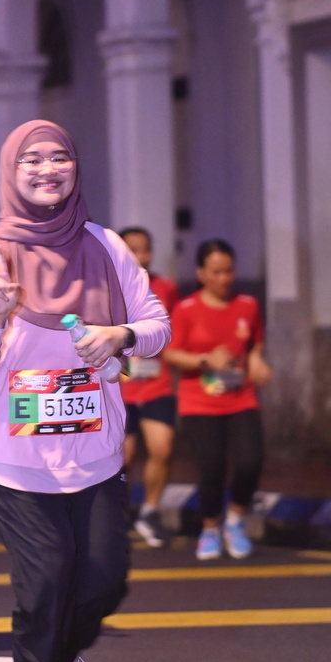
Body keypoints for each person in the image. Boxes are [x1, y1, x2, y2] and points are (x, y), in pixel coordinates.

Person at [0, 120, 170, 662]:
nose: (48, 169)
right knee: (46, 575)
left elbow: (156, 326)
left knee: (104, 578)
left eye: (60, 157)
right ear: (10, 171)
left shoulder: (105, 245)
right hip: (10, 455)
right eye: (32, 160)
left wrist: (119, 335)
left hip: (93, 450)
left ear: (75, 166)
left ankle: (66, 654)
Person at [163, 238, 272, 561]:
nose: (224, 278)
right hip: (199, 401)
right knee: (211, 468)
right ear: (201, 273)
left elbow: (256, 343)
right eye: (216, 272)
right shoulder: (186, 310)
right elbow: (170, 354)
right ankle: (210, 528)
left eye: (228, 271)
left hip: (241, 397)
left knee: (251, 461)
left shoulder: (248, 305)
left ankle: (235, 519)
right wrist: (205, 360)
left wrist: (256, 360)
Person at [119, 227, 179, 547]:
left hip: (157, 383)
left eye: (145, 249)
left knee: (162, 448)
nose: (140, 256)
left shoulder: (166, 288)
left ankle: (149, 512)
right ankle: (116, 514)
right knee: (122, 456)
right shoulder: (107, 287)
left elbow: (176, 332)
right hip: (120, 387)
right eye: (133, 249)